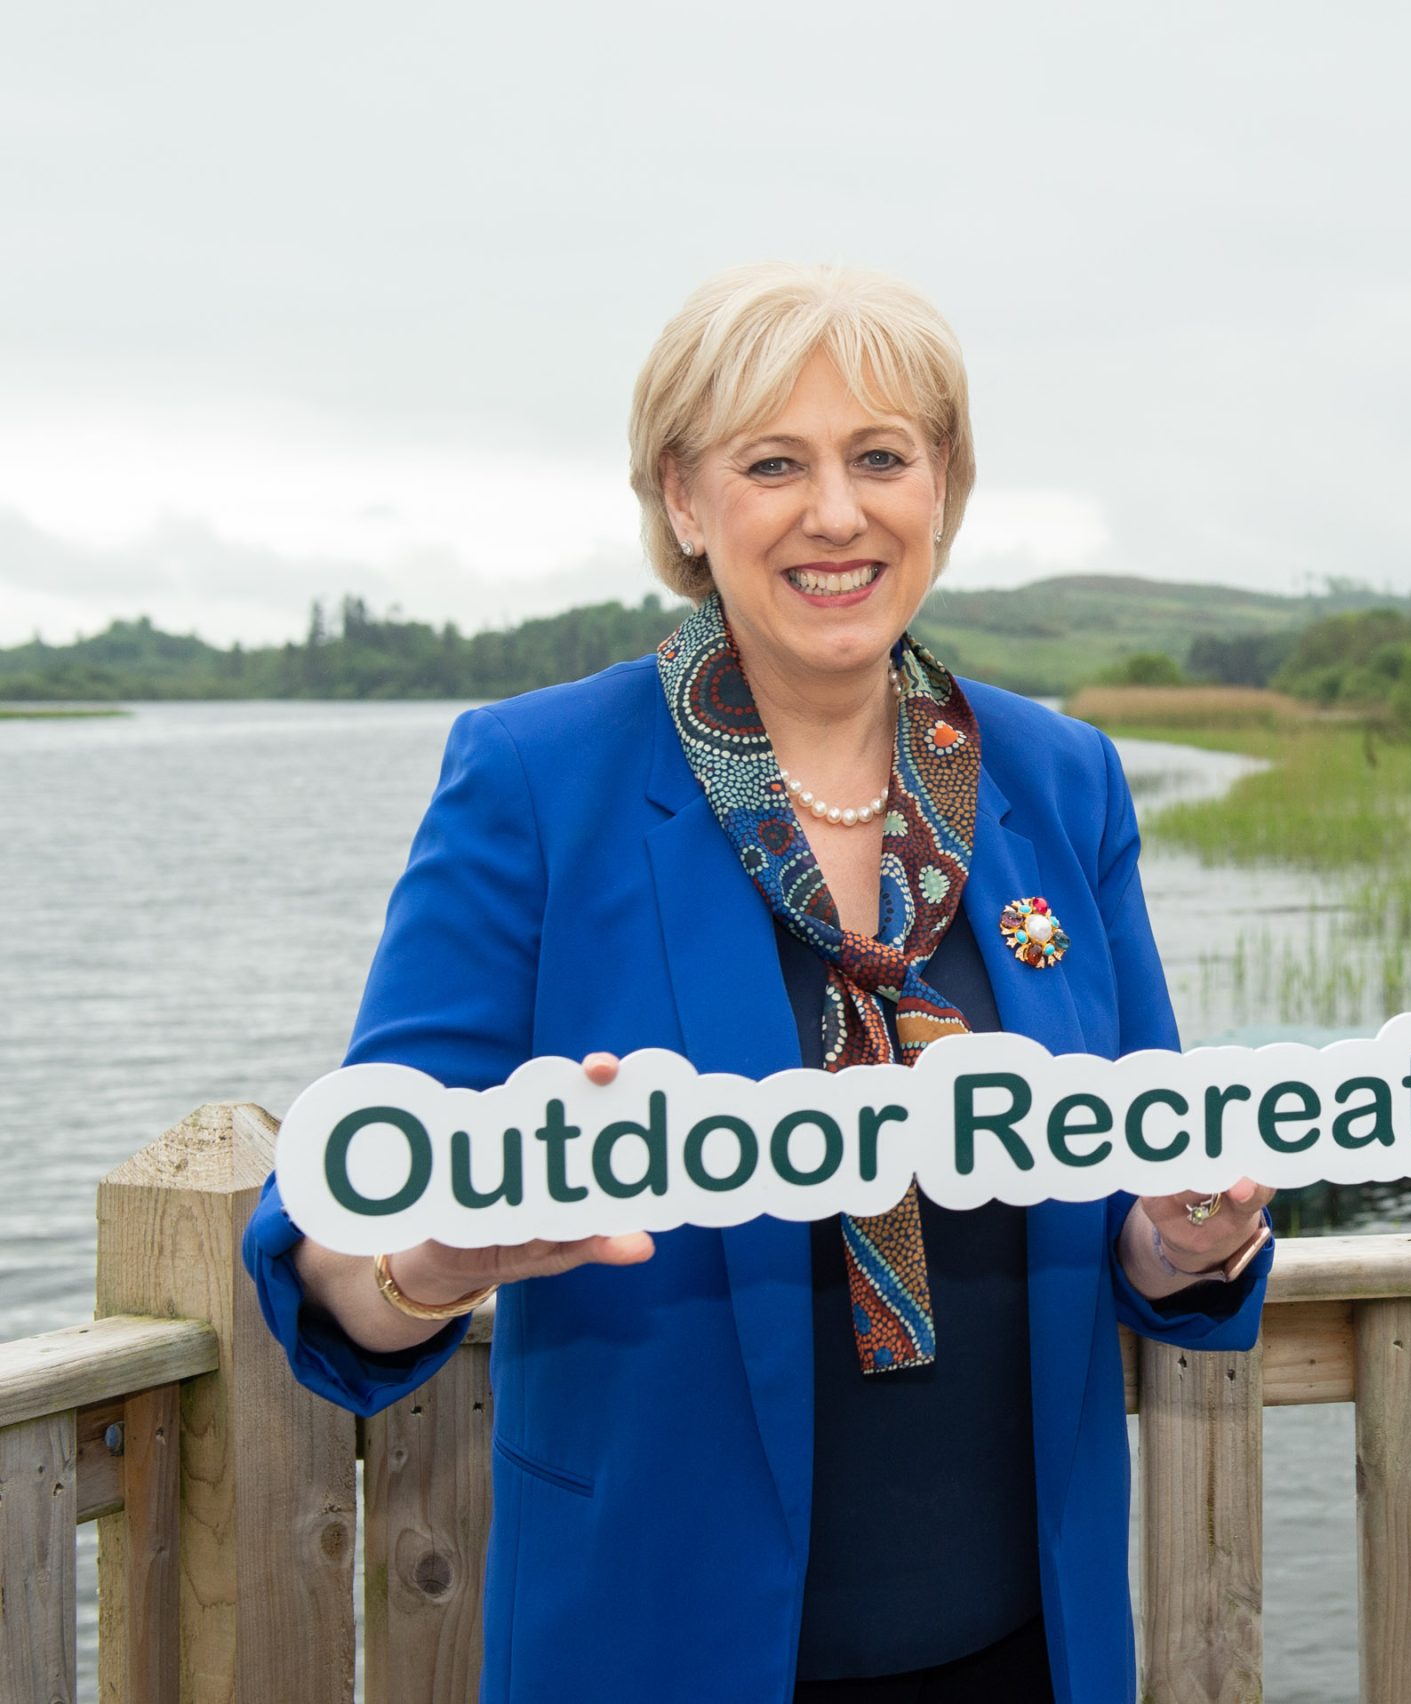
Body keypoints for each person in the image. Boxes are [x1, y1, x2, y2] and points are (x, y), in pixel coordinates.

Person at [239, 262, 1277, 1704]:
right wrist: (431, 1264)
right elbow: (334, 1223)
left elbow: (1143, 1174)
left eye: (881, 458)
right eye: (774, 463)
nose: (836, 514)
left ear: (944, 487)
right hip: (653, 1641)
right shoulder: (539, 778)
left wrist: (1181, 1241)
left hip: (1027, 1645)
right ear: (682, 497)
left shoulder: (1061, 779)